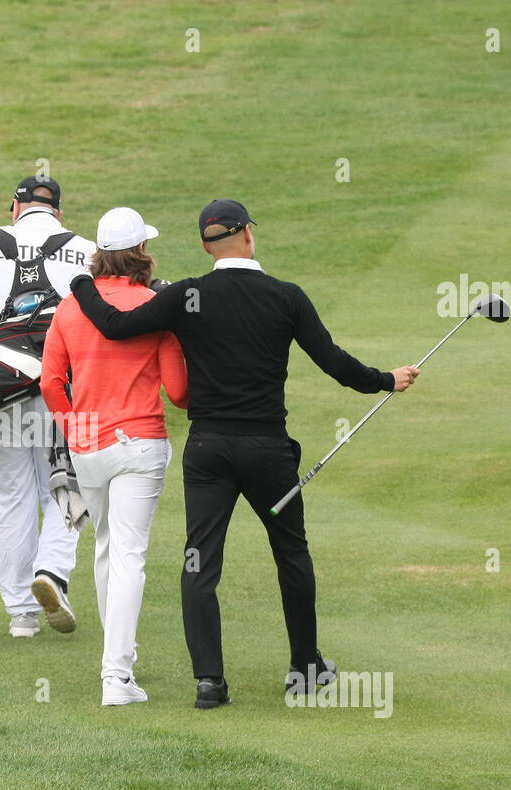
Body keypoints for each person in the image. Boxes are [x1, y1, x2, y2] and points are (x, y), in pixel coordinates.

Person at [68, 199, 419, 707]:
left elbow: (116, 326)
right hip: (268, 450)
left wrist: (81, 285)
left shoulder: (187, 295)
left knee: (199, 561)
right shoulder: (286, 297)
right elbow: (336, 364)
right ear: (248, 235)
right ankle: (305, 667)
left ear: (208, 245)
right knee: (291, 553)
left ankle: (210, 681)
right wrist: (387, 379)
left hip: (208, 449)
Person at [41, 208, 188, 705]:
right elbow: (180, 390)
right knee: (127, 554)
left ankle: (118, 666)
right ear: (141, 253)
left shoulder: (69, 308)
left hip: (88, 445)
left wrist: (75, 425)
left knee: (106, 548)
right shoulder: (154, 306)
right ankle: (116, 675)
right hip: (139, 442)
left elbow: (50, 383)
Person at [0, 175, 96, 638]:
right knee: (70, 487)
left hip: (2, 389)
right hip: (68, 391)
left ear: (16, 206)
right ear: (59, 212)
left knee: (12, 499)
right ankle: (50, 572)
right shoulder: (86, 250)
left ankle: (20, 615)